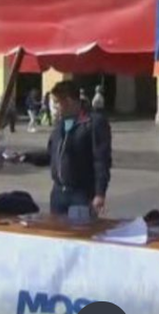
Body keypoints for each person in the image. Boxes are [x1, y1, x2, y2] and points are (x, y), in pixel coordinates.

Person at [20, 80, 112, 216]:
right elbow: (51, 155)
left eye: (56, 103)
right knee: (58, 234)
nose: (54, 107)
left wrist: (99, 193)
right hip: (58, 194)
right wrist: (25, 157)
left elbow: (101, 160)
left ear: (68, 101)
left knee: (80, 233)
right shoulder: (60, 125)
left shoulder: (94, 122)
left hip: (81, 194)